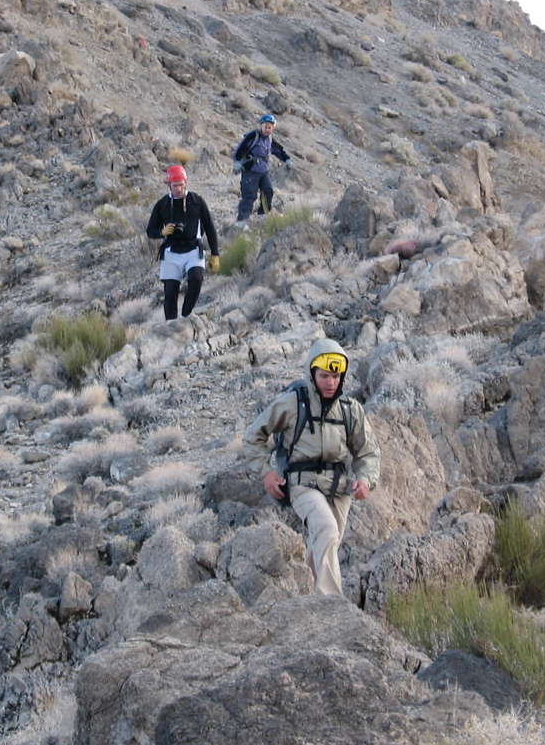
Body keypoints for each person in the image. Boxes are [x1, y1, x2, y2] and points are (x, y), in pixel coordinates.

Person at [242, 339, 378, 597]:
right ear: (312, 374)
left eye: (336, 376)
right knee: (326, 529)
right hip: (302, 485)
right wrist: (266, 473)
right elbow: (253, 437)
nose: (331, 382)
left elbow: (367, 452)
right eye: (324, 376)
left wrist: (365, 479)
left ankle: (306, 600)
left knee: (325, 542)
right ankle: (331, 604)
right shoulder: (292, 403)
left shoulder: (350, 410)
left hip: (339, 489)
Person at [145, 164, 221, 321]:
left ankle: (186, 315)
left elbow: (209, 227)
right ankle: (171, 325)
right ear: (169, 185)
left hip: (193, 250)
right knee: (170, 293)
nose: (179, 189)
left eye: (181, 184)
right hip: (171, 252)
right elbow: (150, 230)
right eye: (175, 186)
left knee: (196, 279)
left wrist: (215, 254)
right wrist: (162, 232)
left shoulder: (197, 201)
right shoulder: (162, 204)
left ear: (186, 183)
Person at [231, 113, 291, 227]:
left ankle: (263, 215)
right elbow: (241, 148)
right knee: (249, 195)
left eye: (270, 127)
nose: (267, 129)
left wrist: (287, 159)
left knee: (268, 191)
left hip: (263, 171)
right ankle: (241, 221)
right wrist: (237, 162)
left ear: (273, 128)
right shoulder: (253, 136)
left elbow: (278, 150)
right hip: (250, 171)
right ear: (261, 126)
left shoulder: (270, 139)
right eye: (265, 127)